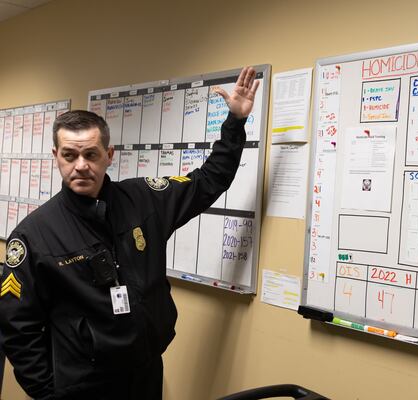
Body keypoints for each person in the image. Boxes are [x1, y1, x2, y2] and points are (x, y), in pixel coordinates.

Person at [0, 67, 260, 400]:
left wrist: (235, 122)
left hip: (146, 372)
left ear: (108, 156)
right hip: (82, 383)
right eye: (70, 155)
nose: (80, 165)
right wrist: (48, 393)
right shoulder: (34, 235)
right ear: (57, 158)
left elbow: (209, 181)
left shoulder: (145, 199)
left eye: (91, 154)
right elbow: (17, 329)